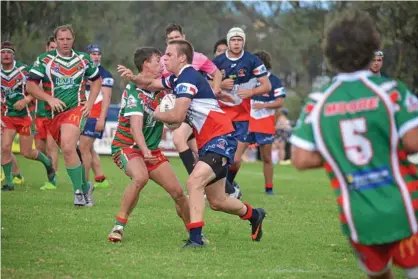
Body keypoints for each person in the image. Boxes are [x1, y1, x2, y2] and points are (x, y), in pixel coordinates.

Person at [290, 9, 418, 279]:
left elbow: (300, 159)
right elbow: (413, 142)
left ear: (330, 54)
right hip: (404, 207)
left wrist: (340, 154)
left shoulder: (318, 102)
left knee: (379, 274)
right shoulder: (389, 91)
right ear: (372, 47)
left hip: (359, 217)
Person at [118, 39, 267, 248]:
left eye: (168, 54)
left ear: (181, 58)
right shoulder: (176, 78)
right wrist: (133, 77)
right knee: (218, 201)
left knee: (193, 183)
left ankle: (195, 240)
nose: (164, 58)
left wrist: (156, 113)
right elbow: (151, 84)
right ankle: (254, 215)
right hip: (209, 141)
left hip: (220, 137)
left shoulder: (187, 78)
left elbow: (177, 116)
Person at [108, 47, 190, 242]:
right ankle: (118, 227)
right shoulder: (133, 90)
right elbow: (136, 127)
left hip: (151, 150)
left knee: (178, 192)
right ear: (146, 64)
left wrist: (175, 120)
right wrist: (144, 151)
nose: (162, 64)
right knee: (140, 177)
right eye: (157, 61)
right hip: (126, 146)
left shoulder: (164, 90)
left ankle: (194, 233)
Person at [27, 24, 102, 206]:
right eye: (61, 39)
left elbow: (97, 80)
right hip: (52, 115)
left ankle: (77, 193)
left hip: (76, 110)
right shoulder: (44, 60)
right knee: (68, 152)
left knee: (68, 147)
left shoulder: (84, 59)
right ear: (55, 41)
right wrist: (48, 99)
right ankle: (85, 188)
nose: (65, 42)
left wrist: (90, 103)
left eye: (68, 39)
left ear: (73, 39)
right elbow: (30, 86)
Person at [162, 24, 238, 198]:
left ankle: (198, 186)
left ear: (184, 36)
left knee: (179, 138)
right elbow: (160, 82)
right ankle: (229, 189)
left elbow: (215, 75)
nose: (174, 41)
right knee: (199, 150)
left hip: (192, 110)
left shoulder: (198, 58)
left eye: (176, 37)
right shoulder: (165, 60)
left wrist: (216, 91)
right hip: (181, 108)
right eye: (170, 39)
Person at [213, 27, 272, 190]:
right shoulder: (218, 62)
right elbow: (204, 83)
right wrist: (220, 84)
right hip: (221, 114)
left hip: (242, 116)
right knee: (218, 156)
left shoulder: (252, 60)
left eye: (239, 40)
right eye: (233, 40)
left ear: (243, 42)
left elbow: (267, 85)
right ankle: (224, 188)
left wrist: (252, 91)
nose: (236, 43)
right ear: (229, 41)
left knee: (236, 160)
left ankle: (228, 185)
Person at [1, 41, 56, 191]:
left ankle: (47, 162)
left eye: (8, 52)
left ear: (13, 55)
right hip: (8, 116)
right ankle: (8, 183)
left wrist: (26, 100)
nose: (5, 55)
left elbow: (36, 88)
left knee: (27, 152)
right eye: (3, 52)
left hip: (25, 116)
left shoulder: (23, 70)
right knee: (5, 147)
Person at [246, 50, 286, 194]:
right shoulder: (248, 79)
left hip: (264, 123)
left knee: (267, 157)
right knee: (234, 156)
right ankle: (229, 185)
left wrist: (263, 105)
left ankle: (269, 188)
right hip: (247, 122)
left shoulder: (274, 81)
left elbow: (280, 102)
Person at [79, 44, 113, 189]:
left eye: (98, 54)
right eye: (93, 54)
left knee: (83, 148)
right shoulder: (82, 72)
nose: (96, 56)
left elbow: (107, 98)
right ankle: (100, 178)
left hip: (95, 116)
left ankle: (84, 182)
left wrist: (101, 118)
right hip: (82, 114)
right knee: (88, 148)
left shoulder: (105, 74)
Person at [34, 36, 61, 190]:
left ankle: (53, 179)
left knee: (52, 146)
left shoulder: (61, 68)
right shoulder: (40, 65)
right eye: (51, 47)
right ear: (47, 48)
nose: (53, 50)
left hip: (53, 114)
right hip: (39, 113)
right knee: (39, 148)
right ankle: (50, 168)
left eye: (55, 48)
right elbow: (30, 86)